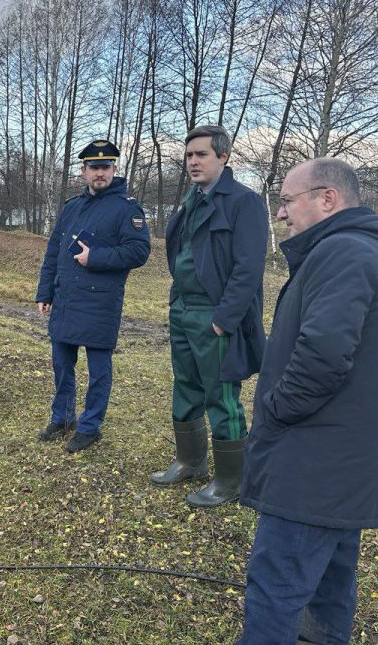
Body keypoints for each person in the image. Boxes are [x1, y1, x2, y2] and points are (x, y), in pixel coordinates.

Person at [239, 158, 378, 644]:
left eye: (287, 201)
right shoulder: (359, 250)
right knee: (329, 585)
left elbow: (323, 356)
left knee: (276, 587)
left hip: (314, 465)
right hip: (342, 463)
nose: (280, 214)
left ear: (327, 199)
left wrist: (275, 409)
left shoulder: (344, 253)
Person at [151, 125, 268, 507]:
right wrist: (176, 301)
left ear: (224, 156)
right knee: (185, 385)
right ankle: (190, 461)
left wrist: (224, 319)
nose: (193, 161)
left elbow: (249, 269)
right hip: (183, 309)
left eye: (201, 154)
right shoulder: (191, 200)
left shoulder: (244, 202)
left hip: (214, 315)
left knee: (221, 395)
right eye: (189, 155)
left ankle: (231, 481)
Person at [35, 139, 150, 453]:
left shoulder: (127, 208)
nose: (100, 173)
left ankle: (90, 427)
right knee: (61, 364)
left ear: (114, 169)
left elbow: (139, 251)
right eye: (94, 167)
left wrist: (95, 257)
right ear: (83, 171)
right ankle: (63, 418)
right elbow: (54, 251)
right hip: (66, 299)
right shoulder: (71, 207)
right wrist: (45, 291)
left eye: (106, 167)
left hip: (100, 302)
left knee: (98, 370)